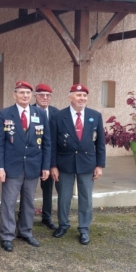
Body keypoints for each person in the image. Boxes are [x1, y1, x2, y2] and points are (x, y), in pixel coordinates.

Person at [0, 81, 50, 252]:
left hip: (33, 166)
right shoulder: (5, 114)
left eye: (27, 93)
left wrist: (46, 166)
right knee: (9, 202)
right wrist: (0, 167)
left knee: (28, 202)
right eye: (21, 92)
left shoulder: (40, 113)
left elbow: (47, 143)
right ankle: (7, 235)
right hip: (12, 167)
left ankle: (25, 232)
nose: (25, 95)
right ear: (14, 95)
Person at [51, 84, 106, 245]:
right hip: (64, 163)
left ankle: (84, 228)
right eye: (78, 95)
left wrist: (100, 165)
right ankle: (63, 224)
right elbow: (52, 143)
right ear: (70, 98)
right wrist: (53, 165)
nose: (82, 98)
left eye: (84, 95)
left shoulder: (95, 115)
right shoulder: (59, 116)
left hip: (88, 163)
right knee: (64, 197)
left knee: (86, 198)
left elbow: (100, 143)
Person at [33, 83, 61, 231]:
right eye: (42, 95)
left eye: (48, 95)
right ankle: (23, 216)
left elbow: (56, 140)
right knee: (27, 190)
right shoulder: (28, 111)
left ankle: (47, 217)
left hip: (49, 159)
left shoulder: (57, 113)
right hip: (31, 158)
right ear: (35, 96)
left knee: (48, 189)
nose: (45, 98)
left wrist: (52, 163)